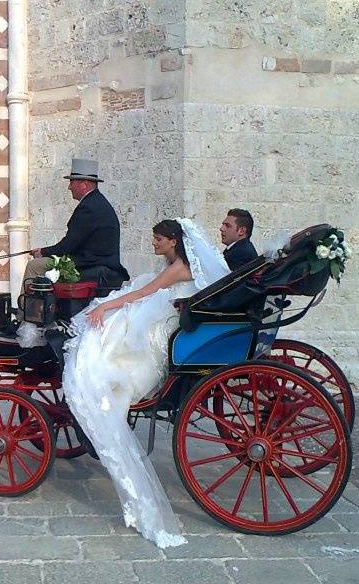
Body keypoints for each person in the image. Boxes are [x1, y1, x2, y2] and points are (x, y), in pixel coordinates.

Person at [63, 218, 228, 547]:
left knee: (105, 339)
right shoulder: (178, 264)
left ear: (172, 241)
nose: (153, 244)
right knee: (116, 322)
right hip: (171, 318)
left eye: (157, 239)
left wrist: (106, 305)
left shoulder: (178, 268)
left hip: (164, 328)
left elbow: (144, 292)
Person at [24, 158, 129, 289]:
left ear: (84, 183)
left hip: (90, 264)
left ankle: (28, 308)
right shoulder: (97, 202)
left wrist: (43, 252)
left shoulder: (88, 207)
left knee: (34, 266)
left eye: (71, 182)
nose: (69, 187)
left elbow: (68, 246)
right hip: (96, 262)